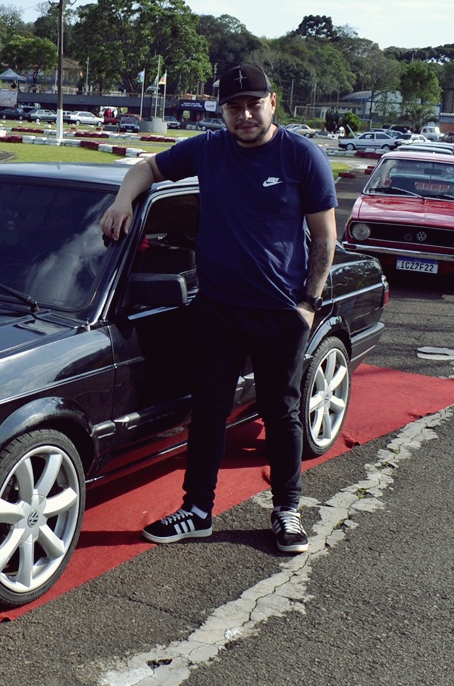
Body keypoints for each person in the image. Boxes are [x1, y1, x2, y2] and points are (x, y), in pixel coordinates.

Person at [99, 63, 337, 553]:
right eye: (234, 107)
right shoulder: (208, 149)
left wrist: (308, 305)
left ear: (273, 103)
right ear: (221, 111)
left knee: (281, 413)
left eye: (254, 104)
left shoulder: (302, 156)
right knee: (208, 412)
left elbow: (324, 237)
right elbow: (146, 168)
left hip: (279, 311)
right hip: (216, 310)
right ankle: (197, 510)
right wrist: (123, 201)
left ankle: (287, 511)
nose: (245, 115)